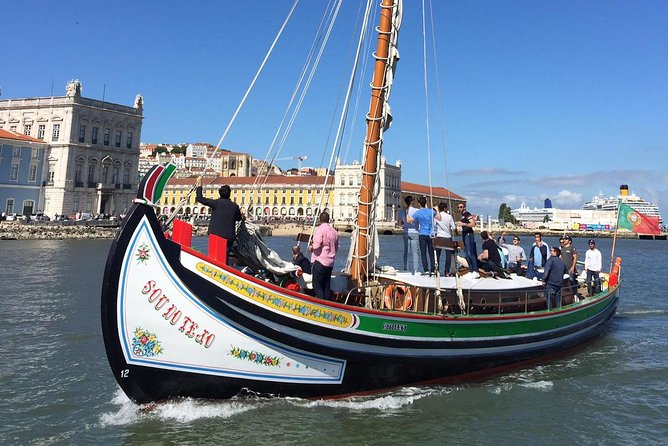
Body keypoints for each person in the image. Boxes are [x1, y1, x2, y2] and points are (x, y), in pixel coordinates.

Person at [195, 176, 243, 263]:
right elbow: (239, 219)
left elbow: (199, 198)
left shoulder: (215, 203)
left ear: (220, 194)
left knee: (214, 258)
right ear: (229, 194)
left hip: (215, 235)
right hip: (229, 236)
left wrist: (200, 185)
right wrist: (241, 214)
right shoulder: (235, 206)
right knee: (224, 258)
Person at [309, 211, 339, 300]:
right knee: (326, 285)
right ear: (329, 219)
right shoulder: (334, 231)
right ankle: (327, 303)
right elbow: (336, 248)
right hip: (330, 262)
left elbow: (317, 245)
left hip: (321, 260)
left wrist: (312, 247)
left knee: (317, 285)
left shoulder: (321, 229)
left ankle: (321, 304)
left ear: (319, 219)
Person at [407, 196, 436, 275]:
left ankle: (426, 270)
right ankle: (433, 270)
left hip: (422, 234)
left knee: (423, 253)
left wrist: (407, 212)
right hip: (431, 234)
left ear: (419, 203)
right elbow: (439, 217)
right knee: (431, 253)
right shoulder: (431, 211)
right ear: (426, 203)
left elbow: (409, 220)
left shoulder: (418, 212)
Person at [397, 195, 420, 274]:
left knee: (406, 252)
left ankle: (405, 269)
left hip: (406, 232)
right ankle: (416, 270)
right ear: (412, 202)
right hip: (415, 232)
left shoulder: (402, 211)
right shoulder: (416, 210)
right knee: (415, 252)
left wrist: (404, 224)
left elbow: (399, 223)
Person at [434, 202, 456, 276]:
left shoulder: (436, 216)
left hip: (439, 237)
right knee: (448, 256)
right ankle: (446, 271)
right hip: (447, 237)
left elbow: (434, 225)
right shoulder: (449, 216)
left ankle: (437, 270)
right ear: (445, 208)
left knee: (437, 255)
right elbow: (454, 227)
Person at [456, 203, 478, 275]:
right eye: (458, 207)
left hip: (469, 235)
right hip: (464, 235)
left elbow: (473, 224)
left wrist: (464, 224)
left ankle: (475, 271)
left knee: (470, 253)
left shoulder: (467, 214)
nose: (459, 208)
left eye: (461, 207)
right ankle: (471, 270)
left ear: (464, 208)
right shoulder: (462, 216)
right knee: (466, 254)